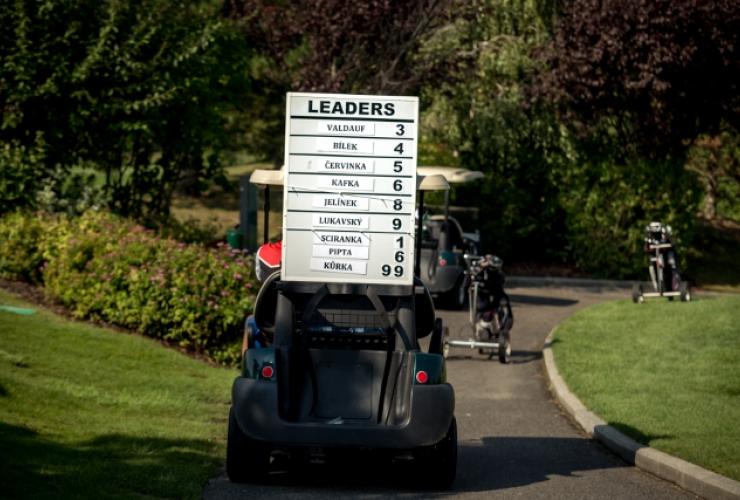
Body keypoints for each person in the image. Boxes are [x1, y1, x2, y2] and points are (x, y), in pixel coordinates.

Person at [242, 241, 282, 354]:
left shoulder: (264, 252)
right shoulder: (316, 254)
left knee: (251, 321)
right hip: (308, 322)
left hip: (271, 323)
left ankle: (247, 361)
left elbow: (261, 280)